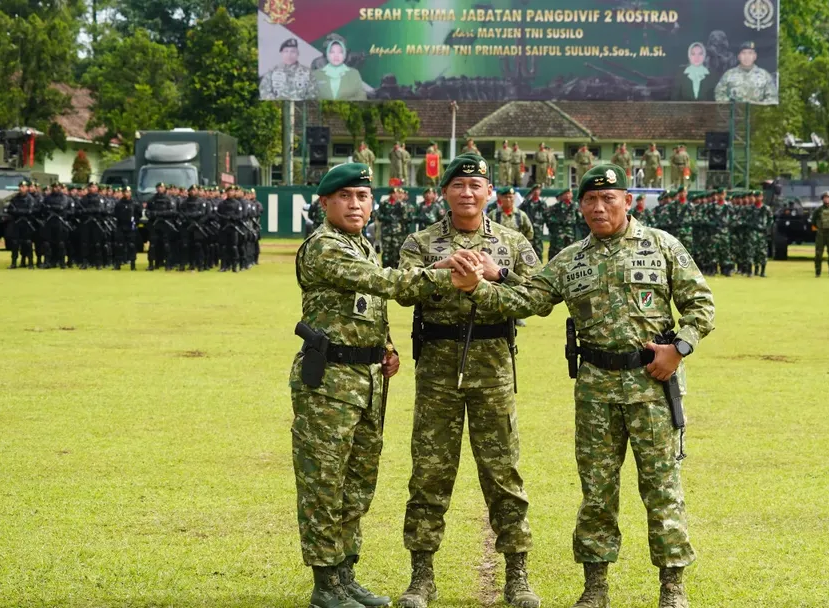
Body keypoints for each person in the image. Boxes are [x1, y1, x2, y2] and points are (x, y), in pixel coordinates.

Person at [461, 164, 715, 608]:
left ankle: (672, 589)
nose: (599, 208)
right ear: (580, 206)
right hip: (596, 392)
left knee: (662, 488)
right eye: (590, 201)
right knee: (597, 491)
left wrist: (679, 350)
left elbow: (701, 306)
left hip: (652, 387)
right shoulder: (572, 258)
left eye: (608, 199)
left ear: (627, 201)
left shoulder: (662, 246)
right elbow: (529, 299)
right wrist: (484, 283)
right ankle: (595, 587)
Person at [289, 161, 479, 608]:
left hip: (367, 381)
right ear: (325, 203)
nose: (356, 205)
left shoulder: (362, 245)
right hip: (329, 383)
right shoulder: (324, 246)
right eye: (346, 197)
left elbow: (364, 306)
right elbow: (381, 283)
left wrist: (387, 344)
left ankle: (345, 573)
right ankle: (324, 584)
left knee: (358, 482)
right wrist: (443, 272)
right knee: (324, 485)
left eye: (362, 197)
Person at [395, 153, 543, 608]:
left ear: (489, 193)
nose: (466, 193)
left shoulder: (513, 242)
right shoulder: (420, 242)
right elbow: (400, 289)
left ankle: (517, 575)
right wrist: (442, 275)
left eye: (475, 186)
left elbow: (537, 297)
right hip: (438, 367)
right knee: (430, 472)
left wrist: (493, 278)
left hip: (493, 366)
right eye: (458, 185)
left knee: (503, 472)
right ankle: (422, 577)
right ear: (445, 192)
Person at [312, 35, 373, 101]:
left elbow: (361, 97)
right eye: (332, 52)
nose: (336, 55)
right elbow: (310, 95)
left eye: (340, 52)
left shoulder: (354, 74)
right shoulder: (317, 67)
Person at [714, 41, 778, 104]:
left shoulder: (764, 75)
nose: (747, 56)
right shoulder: (729, 75)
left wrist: (759, 108)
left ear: (755, 56)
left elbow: (772, 97)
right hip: (734, 113)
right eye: (743, 53)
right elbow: (719, 93)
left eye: (750, 53)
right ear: (738, 56)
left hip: (757, 113)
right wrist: (730, 107)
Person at [5, 180, 37, 268]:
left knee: (28, 242)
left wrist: (18, 211)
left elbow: (30, 211)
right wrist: (19, 212)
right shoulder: (15, 198)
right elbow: (10, 210)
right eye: (20, 187)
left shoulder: (30, 199)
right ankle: (13, 262)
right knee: (15, 243)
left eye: (23, 187)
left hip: (27, 223)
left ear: (27, 188)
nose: (21, 188)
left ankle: (30, 262)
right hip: (17, 223)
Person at [810, 191, 829, 277]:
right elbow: (813, 221)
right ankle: (818, 272)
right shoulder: (818, 209)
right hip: (821, 233)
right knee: (819, 253)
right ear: (823, 199)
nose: (826, 199)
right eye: (825, 198)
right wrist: (819, 227)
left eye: (828, 198)